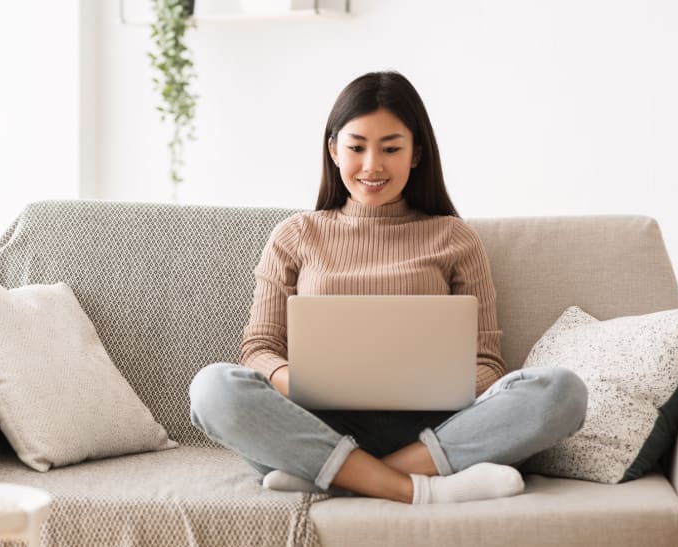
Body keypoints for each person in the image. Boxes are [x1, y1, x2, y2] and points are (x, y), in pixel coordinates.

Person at [188, 71, 588, 504]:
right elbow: (260, 349)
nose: (372, 165)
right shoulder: (295, 235)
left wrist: (435, 384)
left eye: (391, 148)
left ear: (416, 153)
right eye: (356, 147)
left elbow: (487, 364)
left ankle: (343, 478)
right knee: (213, 388)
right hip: (315, 427)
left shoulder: (455, 238)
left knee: (561, 391)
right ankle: (419, 488)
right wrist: (304, 382)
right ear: (333, 151)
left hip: (434, 431)